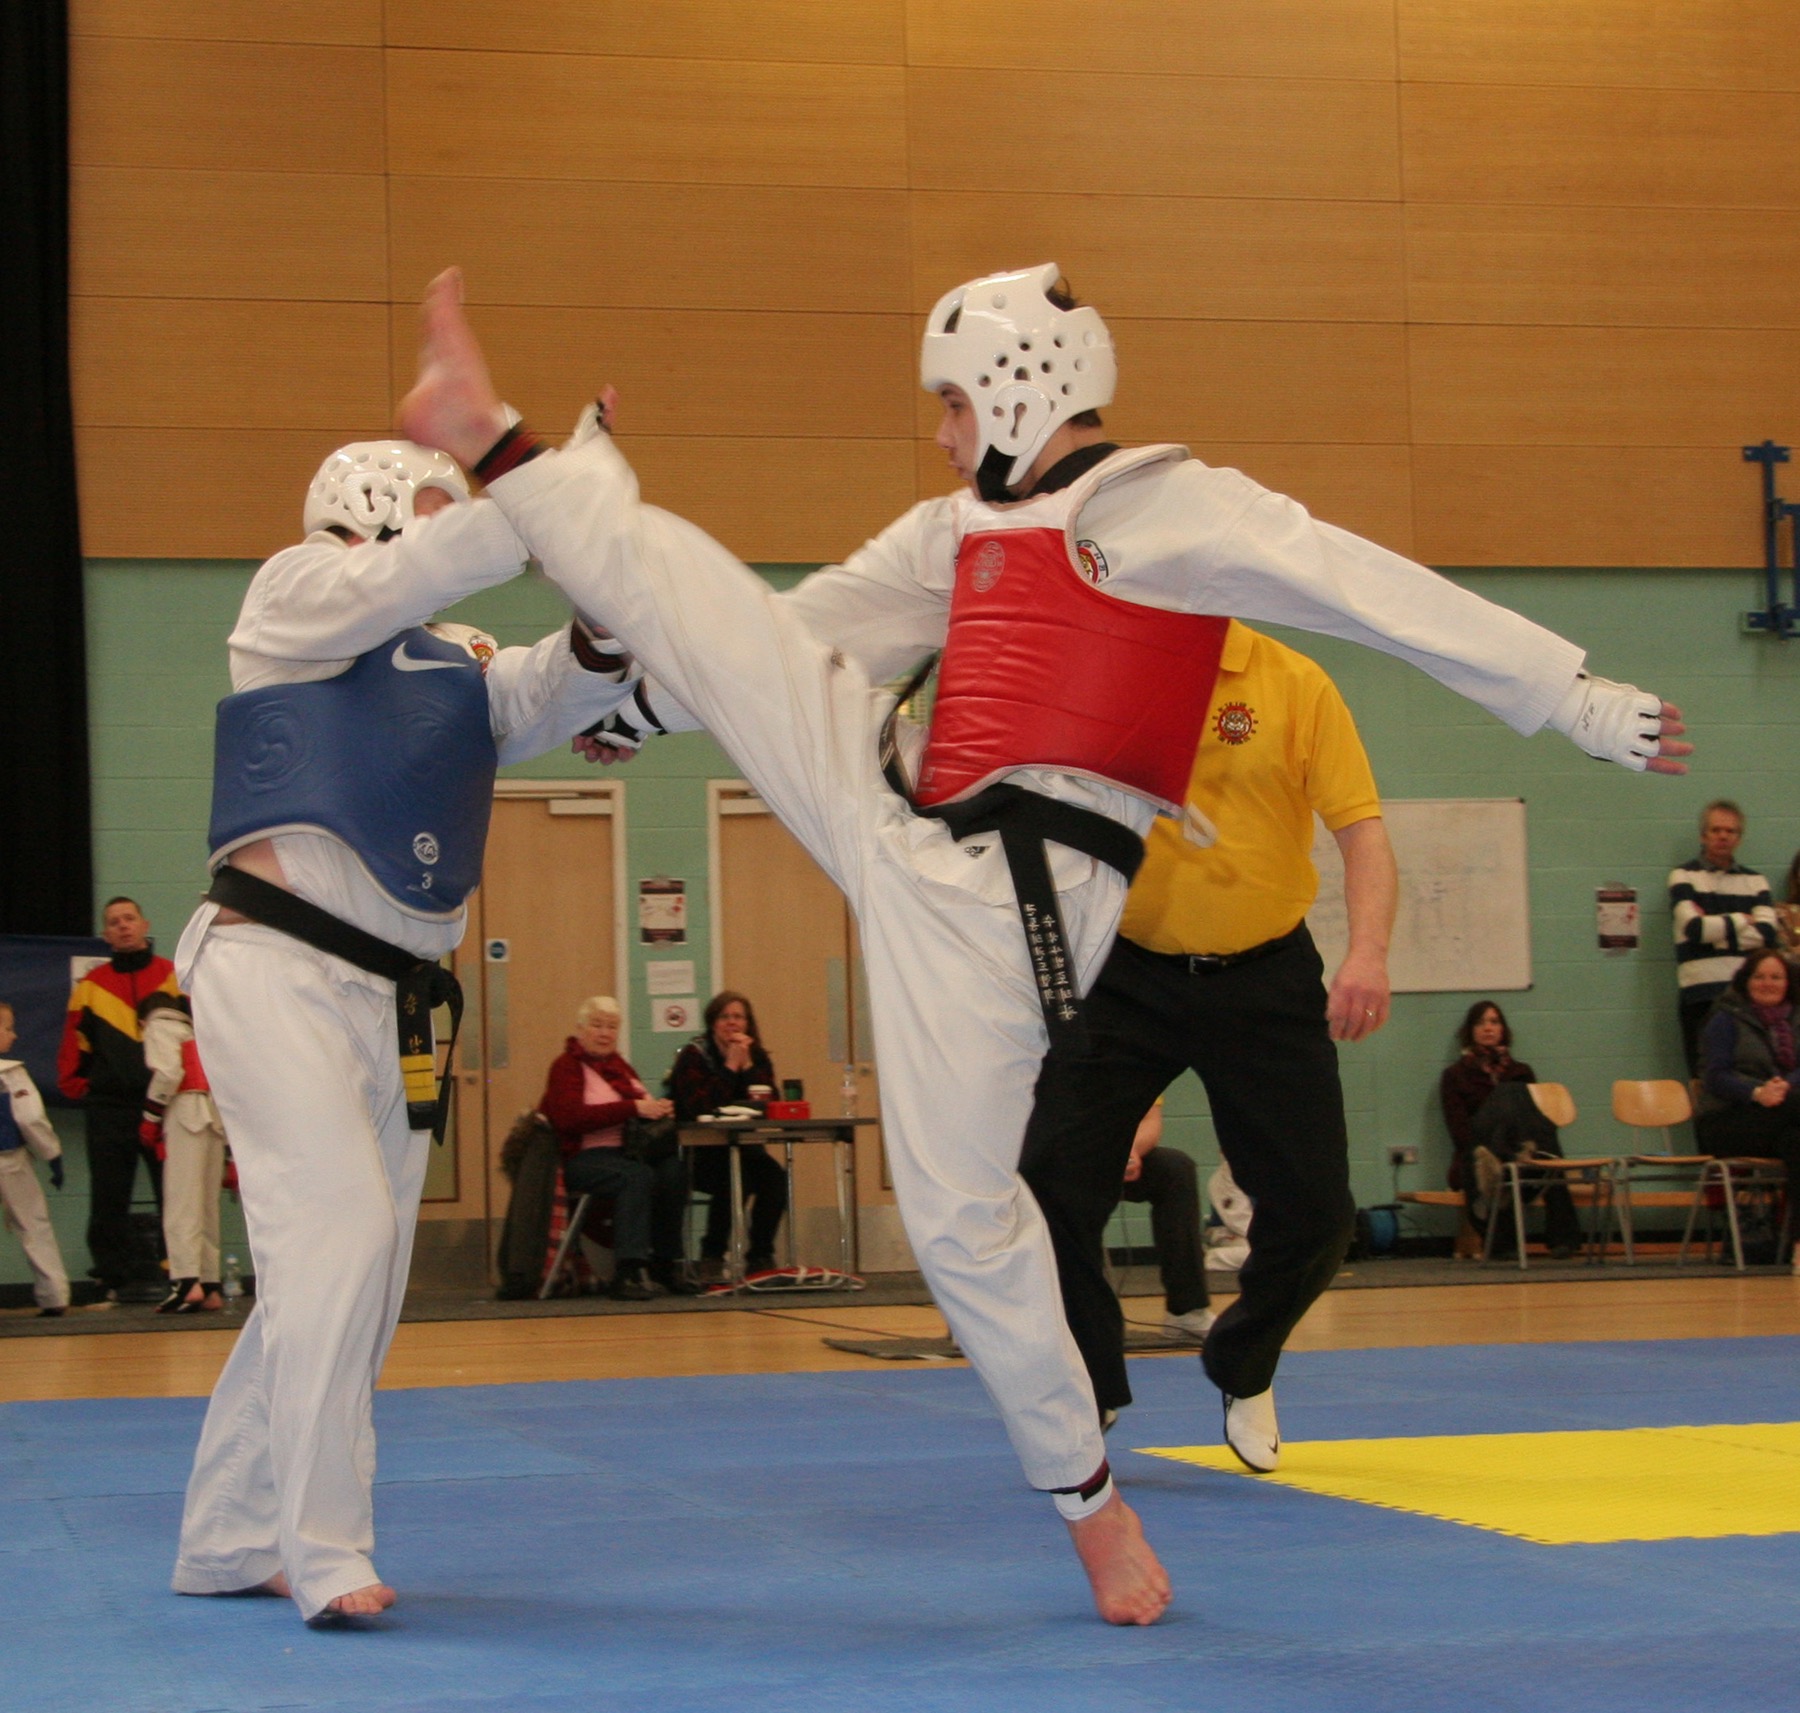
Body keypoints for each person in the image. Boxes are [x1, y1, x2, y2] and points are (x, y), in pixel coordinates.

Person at [399, 261, 1688, 1626]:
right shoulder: (952, 530)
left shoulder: (1169, 511)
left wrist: (1572, 697)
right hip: (892, 797)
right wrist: (646, 711)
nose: (943, 433)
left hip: (998, 915)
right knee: (712, 600)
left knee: (961, 1223)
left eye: (954, 405)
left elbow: (1364, 585)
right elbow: (809, 629)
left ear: (1024, 387)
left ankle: (1090, 1504)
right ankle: (496, 440)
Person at [170, 440, 640, 1625]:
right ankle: (324, 1550)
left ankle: (230, 1536)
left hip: (393, 998)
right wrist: (532, 499)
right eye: (434, 505)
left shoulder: (460, 656)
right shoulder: (295, 598)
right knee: (339, 1234)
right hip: (274, 962)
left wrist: (597, 597)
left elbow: (555, 687)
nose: (449, 527)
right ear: (369, 502)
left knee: (347, 1274)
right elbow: (402, 578)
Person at [1018, 620, 1394, 1469]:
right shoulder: (1108, 669)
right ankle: (1091, 1380)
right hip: (1125, 972)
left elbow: (1362, 829)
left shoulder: (1295, 682)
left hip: (1265, 976)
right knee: (1047, 1181)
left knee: (1319, 1215)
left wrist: (1368, 951)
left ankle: (1244, 1361)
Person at [57, 897, 180, 1302]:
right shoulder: (90, 987)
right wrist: (83, 1088)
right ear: (105, 935)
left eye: (129, 918)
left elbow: (197, 1037)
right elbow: (74, 1045)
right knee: (108, 1193)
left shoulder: (172, 977)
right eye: (114, 922)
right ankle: (110, 1278)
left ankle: (180, 1272)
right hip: (110, 1108)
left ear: (144, 924)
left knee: (175, 1191)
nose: (123, 926)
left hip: (167, 1105)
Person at [538, 995, 691, 1298]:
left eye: (611, 1027)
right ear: (581, 1029)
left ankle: (665, 1263)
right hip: (582, 1157)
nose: (604, 1033)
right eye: (597, 1025)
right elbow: (569, 1118)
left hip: (625, 1152)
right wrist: (632, 1108)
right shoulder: (566, 1066)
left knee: (674, 1171)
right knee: (635, 1176)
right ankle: (628, 1270)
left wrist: (658, 1109)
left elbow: (640, 1107)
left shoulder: (620, 1067)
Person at [1439, 1000, 1581, 1258]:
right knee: (1510, 1092)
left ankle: (1556, 1238)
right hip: (1478, 1158)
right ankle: (1564, 1236)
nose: (1488, 1028)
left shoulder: (1521, 1071)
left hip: (1521, 1154)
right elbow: (1460, 1133)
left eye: (1494, 1022)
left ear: (1503, 1029)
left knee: (1544, 1140)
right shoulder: (1455, 1075)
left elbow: (1535, 1123)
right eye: (1480, 1023)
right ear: (1470, 1030)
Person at [669, 990, 787, 1277]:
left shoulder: (756, 1056)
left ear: (748, 1023)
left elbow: (770, 1104)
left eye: (738, 1017)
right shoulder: (693, 1056)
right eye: (724, 1017)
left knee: (775, 1178)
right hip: (702, 1152)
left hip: (745, 1146)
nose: (732, 1023)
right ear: (713, 1023)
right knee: (737, 1177)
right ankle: (712, 1254)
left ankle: (760, 1254)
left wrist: (748, 1067)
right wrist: (730, 1067)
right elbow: (701, 1106)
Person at [1670, 801, 1778, 1073]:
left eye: (1730, 831)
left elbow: (1767, 935)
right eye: (1716, 830)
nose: (1723, 836)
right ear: (1703, 835)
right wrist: (1742, 920)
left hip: (1746, 997)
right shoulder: (1683, 876)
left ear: (1739, 838)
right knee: (1705, 1077)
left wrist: (1714, 930)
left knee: (1748, 1076)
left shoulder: (1756, 881)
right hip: (1701, 996)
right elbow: (1695, 930)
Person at [138, 993, 228, 1314]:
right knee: (206, 1205)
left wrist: (150, 1115)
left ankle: (187, 1282)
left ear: (143, 1020)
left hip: (184, 1114)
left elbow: (168, 1073)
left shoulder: (158, 1027)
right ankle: (211, 1283)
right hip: (214, 1116)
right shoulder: (198, 1030)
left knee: (181, 1201)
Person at [1694, 950, 1800, 1190]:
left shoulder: (1796, 1019)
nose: (1767, 983)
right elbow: (1715, 1077)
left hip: (1782, 1113)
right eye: (1759, 977)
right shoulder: (1724, 1020)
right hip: (1728, 1119)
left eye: (1776, 977)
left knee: (1795, 1143)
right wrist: (1758, 1092)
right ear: (1746, 981)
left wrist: (1785, 1086)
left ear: (1788, 983)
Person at [1114, 1101, 1213, 1344]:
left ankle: (1185, 1311)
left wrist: (1130, 1151)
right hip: (1062, 1158)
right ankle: (1079, 1316)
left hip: (1110, 1154)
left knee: (1175, 1169)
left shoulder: (1138, 1074)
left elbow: (1150, 1119)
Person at [0, 1000, 72, 1316]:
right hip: (9, 1161)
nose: (13, 1035)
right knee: (33, 1225)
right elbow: (30, 1118)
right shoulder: (11, 1073)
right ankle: (53, 1296)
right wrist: (51, 1154)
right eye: (7, 1028)